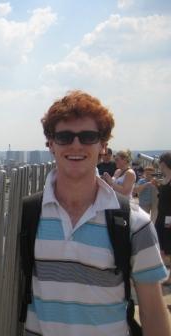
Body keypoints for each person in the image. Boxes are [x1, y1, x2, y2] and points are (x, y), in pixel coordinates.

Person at [24, 90, 170, 336]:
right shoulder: (26, 216)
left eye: (88, 137)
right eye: (64, 136)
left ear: (103, 145)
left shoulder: (134, 224)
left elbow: (153, 312)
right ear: (50, 144)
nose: (76, 145)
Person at [153, 152, 171, 284]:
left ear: (164, 163)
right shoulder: (165, 178)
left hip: (169, 219)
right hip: (162, 217)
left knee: (168, 247)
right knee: (162, 247)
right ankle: (166, 275)